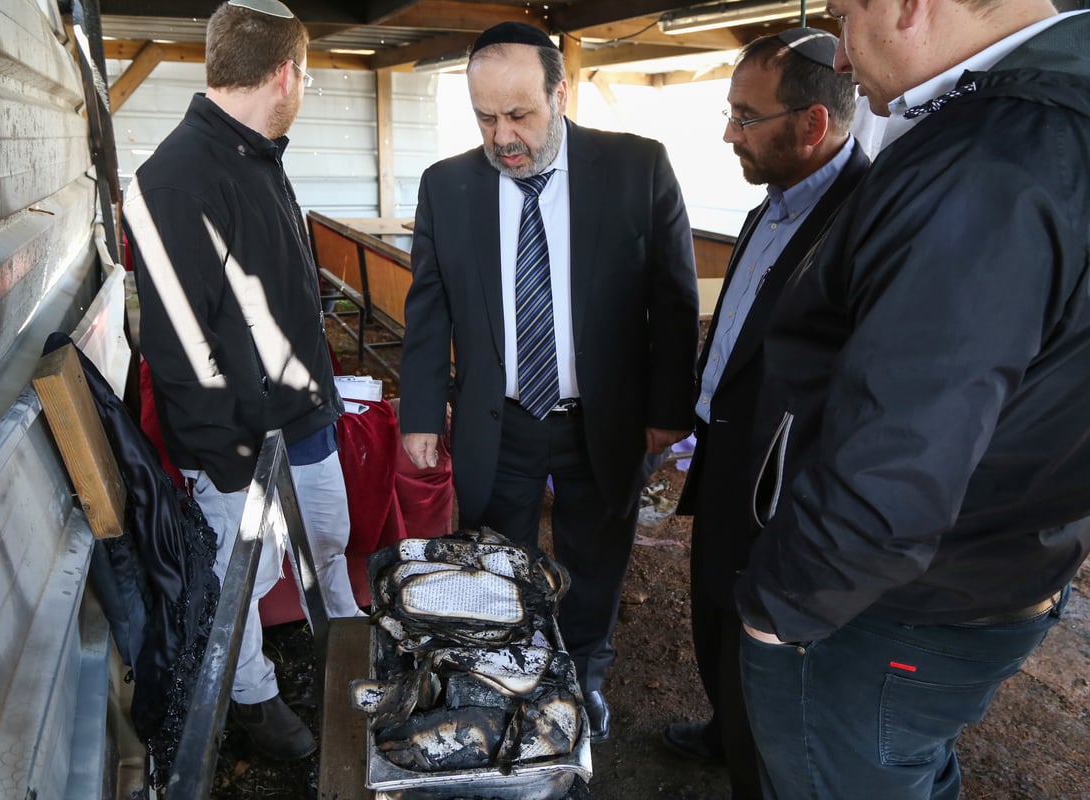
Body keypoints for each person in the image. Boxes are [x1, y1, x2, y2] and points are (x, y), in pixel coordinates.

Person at [734, 1, 1090, 797]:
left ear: (907, 5)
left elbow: (897, 458)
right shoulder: (1060, 121)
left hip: (889, 607)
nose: (843, 50)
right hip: (1001, 565)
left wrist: (779, 613)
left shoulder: (987, 158)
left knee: (849, 769)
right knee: (904, 761)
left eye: (842, 13)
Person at [397, 21, 699, 743]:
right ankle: (509, 673)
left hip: (604, 416)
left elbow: (674, 298)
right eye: (485, 116)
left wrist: (668, 409)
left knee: (595, 556)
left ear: (560, 93)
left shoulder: (638, 168)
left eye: (520, 115)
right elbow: (428, 308)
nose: (502, 135)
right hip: (498, 419)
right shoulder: (447, 186)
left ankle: (585, 671)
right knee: (499, 558)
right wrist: (420, 414)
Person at [122, 0, 362, 761]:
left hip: (304, 412)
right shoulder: (174, 176)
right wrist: (225, 461)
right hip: (237, 440)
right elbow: (179, 342)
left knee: (327, 538)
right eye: (308, 76)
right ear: (287, 72)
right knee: (238, 574)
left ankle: (347, 649)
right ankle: (253, 698)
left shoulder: (260, 150)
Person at [663, 29, 866, 800]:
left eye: (745, 118)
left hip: (783, 484)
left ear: (812, 125)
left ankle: (753, 765)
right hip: (729, 455)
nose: (727, 134)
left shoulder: (863, 219)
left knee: (762, 642)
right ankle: (724, 729)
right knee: (714, 609)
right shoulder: (776, 201)